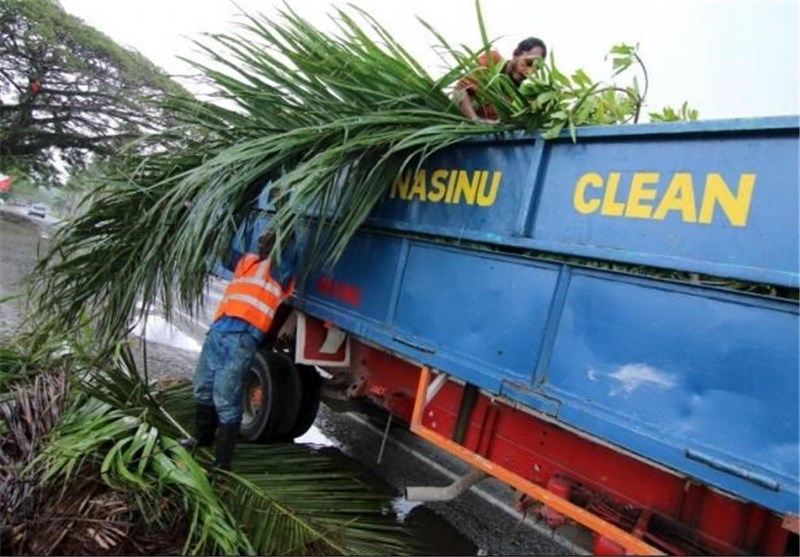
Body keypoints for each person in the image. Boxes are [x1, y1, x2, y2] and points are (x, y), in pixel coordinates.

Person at [182, 230, 297, 470]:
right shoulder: (247, 261)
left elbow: (288, 245)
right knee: (203, 387)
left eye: (269, 241)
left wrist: (285, 214)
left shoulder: (279, 271)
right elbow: (223, 252)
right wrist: (200, 221)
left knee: (225, 398)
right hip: (218, 332)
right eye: (263, 240)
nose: (263, 243)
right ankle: (201, 438)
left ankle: (222, 461)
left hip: (242, 339)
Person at [455, 37, 547, 122]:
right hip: (461, 128)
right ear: (516, 53)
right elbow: (460, 89)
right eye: (528, 63)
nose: (529, 72)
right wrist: (474, 119)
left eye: (536, 69)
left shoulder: (522, 94)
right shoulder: (492, 60)